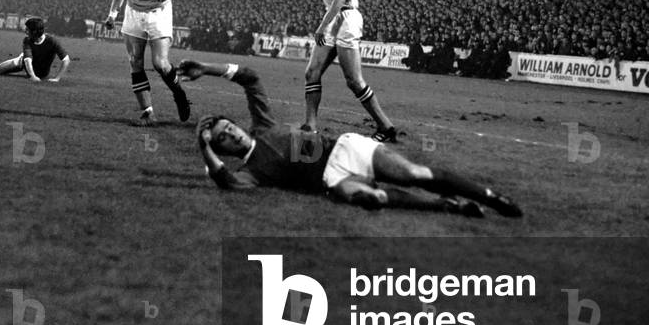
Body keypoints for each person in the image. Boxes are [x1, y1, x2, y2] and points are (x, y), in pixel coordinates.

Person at [178, 58, 522, 217]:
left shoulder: (263, 126)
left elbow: (251, 78)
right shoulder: (250, 172)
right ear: (223, 149)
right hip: (332, 179)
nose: (232, 134)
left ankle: (491, 197)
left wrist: (206, 69)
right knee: (368, 198)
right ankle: (448, 206)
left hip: (346, 147)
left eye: (230, 128)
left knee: (416, 174)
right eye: (224, 138)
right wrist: (203, 144)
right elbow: (225, 182)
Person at [301, 0, 398, 142]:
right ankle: (310, 126)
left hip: (345, 19)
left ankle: (386, 127)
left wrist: (322, 25)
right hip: (336, 20)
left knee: (354, 81)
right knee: (312, 72)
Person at [0, 17, 71, 82]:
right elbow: (27, 60)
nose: (25, 31)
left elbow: (66, 59)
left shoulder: (52, 41)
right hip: (22, 62)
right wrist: (33, 76)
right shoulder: (27, 40)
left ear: (34, 31)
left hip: (42, 72)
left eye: (27, 29)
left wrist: (57, 78)